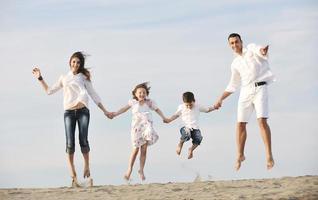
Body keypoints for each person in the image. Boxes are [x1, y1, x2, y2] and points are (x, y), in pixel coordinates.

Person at [32, 51, 112, 187]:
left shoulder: (83, 77)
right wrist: (40, 78)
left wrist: (105, 111)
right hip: (68, 112)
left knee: (83, 140)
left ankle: (87, 166)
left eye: (78, 62)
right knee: (70, 143)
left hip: (83, 111)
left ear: (80, 65)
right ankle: (73, 175)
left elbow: (93, 94)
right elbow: (49, 91)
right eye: (73, 61)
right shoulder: (64, 77)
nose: (75, 64)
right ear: (70, 62)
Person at [214, 33, 275, 170]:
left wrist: (263, 51)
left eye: (236, 42)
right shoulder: (234, 64)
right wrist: (220, 99)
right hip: (245, 91)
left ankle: (269, 155)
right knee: (240, 124)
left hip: (260, 88)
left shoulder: (251, 48)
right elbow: (233, 85)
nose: (234, 45)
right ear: (229, 45)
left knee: (261, 121)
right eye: (232, 43)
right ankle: (240, 155)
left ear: (241, 41)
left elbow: (260, 51)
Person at [110, 82, 166, 181]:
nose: (142, 94)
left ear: (146, 94)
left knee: (144, 149)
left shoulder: (149, 102)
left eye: (144, 92)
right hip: (136, 128)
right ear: (135, 94)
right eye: (139, 92)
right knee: (135, 149)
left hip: (146, 127)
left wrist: (164, 117)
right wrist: (115, 114)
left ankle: (141, 169)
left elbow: (158, 110)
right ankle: (129, 169)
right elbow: (124, 109)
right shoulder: (133, 102)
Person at [164, 92, 216, 159]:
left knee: (199, 138)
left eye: (190, 105)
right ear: (184, 103)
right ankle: (180, 144)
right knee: (187, 134)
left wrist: (215, 107)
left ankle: (191, 149)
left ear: (194, 101)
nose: (189, 107)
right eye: (187, 105)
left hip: (195, 127)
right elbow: (176, 115)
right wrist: (169, 120)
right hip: (184, 127)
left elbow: (207, 110)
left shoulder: (198, 106)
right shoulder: (181, 107)